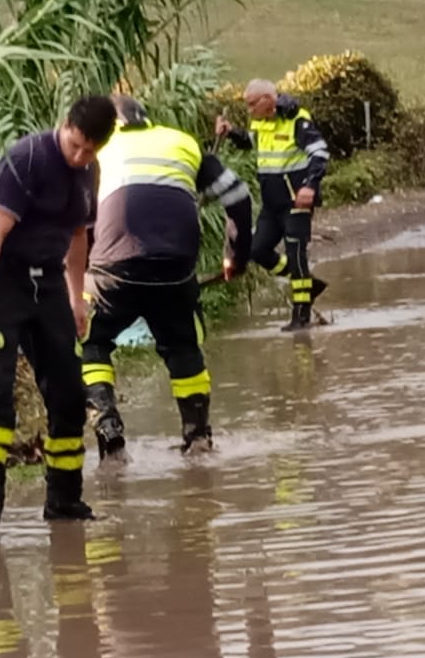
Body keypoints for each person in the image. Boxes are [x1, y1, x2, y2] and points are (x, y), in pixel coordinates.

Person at [0, 95, 118, 545]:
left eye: (90, 150)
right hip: (0, 278)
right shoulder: (25, 159)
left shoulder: (89, 172)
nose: (79, 155)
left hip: (46, 283)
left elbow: (79, 237)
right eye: (75, 144)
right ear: (64, 126)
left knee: (68, 391)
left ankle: (64, 500)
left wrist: (76, 296)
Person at [81, 94, 253, 460]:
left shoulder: (96, 149)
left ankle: (107, 424)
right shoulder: (184, 143)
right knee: (183, 348)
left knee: (90, 342)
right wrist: (233, 256)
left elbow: (80, 220)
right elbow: (238, 196)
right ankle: (198, 438)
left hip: (112, 272)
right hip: (175, 271)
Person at [214, 80, 331, 332]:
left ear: (268, 99)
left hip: (296, 202)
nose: (249, 110)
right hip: (271, 204)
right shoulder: (260, 122)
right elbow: (251, 142)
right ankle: (307, 283)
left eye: (252, 104)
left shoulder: (297, 119)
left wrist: (310, 186)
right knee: (256, 250)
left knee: (296, 254)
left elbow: (320, 153)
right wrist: (230, 132)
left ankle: (301, 317)